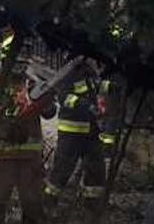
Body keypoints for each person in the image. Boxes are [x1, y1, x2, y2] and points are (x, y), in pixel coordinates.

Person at [0, 70, 49, 224]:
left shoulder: (34, 88)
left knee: (31, 202)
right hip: (6, 158)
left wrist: (42, 95)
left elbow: (49, 112)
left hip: (26, 158)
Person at [45, 66, 108, 200]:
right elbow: (64, 98)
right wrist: (85, 105)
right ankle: (49, 201)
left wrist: (113, 87)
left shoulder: (89, 73)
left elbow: (96, 86)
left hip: (91, 131)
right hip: (71, 132)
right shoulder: (69, 74)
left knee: (96, 168)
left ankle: (92, 203)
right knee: (63, 169)